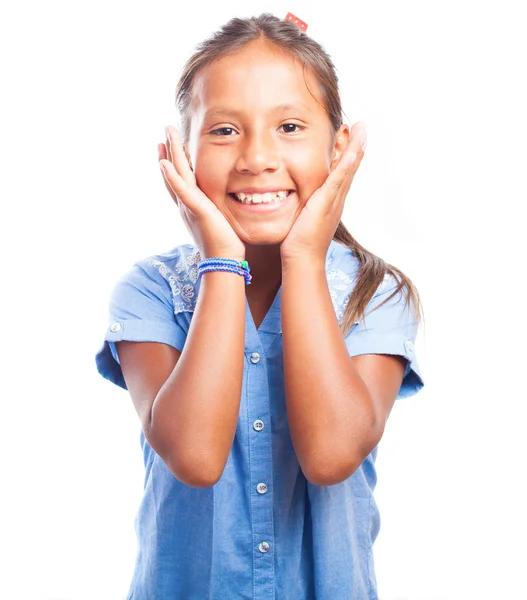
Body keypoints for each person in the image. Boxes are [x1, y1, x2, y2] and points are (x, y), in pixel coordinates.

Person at [95, 12, 425, 600]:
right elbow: (195, 457)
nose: (256, 158)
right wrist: (221, 257)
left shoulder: (376, 294)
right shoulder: (151, 291)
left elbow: (330, 455)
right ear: (182, 151)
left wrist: (304, 258)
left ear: (340, 146)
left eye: (290, 126)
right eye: (224, 131)